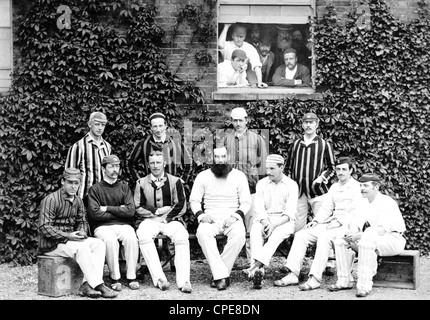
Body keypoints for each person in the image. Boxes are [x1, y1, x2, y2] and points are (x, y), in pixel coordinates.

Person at [273, 157, 363, 289]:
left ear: (351, 171)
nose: (341, 172)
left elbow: (358, 211)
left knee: (324, 237)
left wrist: (339, 222)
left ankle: (314, 278)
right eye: (338, 169)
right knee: (302, 235)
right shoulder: (334, 187)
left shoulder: (357, 187)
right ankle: (293, 274)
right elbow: (326, 209)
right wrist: (315, 221)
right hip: (331, 223)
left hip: (349, 226)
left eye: (344, 169)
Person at [38, 168, 118, 299]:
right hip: (51, 245)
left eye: (76, 183)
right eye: (70, 182)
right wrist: (68, 236)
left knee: (98, 244)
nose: (73, 186)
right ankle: (99, 285)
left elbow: (82, 221)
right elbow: (44, 228)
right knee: (81, 247)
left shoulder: (78, 200)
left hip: (69, 241)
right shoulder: (51, 200)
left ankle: (87, 285)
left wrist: (81, 231)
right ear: (62, 181)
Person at [330, 173, 406, 298]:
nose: (362, 188)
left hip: (394, 240)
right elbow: (356, 222)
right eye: (361, 185)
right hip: (373, 238)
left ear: (376, 187)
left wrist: (359, 235)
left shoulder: (387, 202)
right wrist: (352, 233)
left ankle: (364, 286)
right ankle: (344, 281)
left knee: (366, 240)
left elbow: (381, 230)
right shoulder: (364, 202)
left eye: (365, 185)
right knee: (341, 240)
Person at [189, 146, 251, 290]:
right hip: (211, 217)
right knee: (202, 233)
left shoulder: (239, 176)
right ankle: (222, 275)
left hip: (232, 217)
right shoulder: (203, 176)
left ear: (228, 158)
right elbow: (194, 200)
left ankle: (218, 275)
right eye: (217, 157)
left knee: (239, 235)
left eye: (223, 157)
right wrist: (201, 215)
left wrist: (235, 216)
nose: (220, 160)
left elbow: (246, 202)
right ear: (212, 159)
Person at [134, 151, 192, 293]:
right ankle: (160, 279)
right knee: (143, 234)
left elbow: (181, 205)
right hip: (150, 219)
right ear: (148, 165)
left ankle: (184, 281)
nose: (155, 166)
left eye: (158, 162)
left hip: (170, 220)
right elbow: (138, 207)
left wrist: (166, 217)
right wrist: (157, 211)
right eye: (152, 163)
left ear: (164, 164)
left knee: (182, 235)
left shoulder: (175, 181)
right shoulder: (141, 182)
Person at [219, 107, 268, 265]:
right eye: (235, 120)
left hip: (252, 188)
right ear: (231, 121)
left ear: (247, 120)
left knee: (252, 226)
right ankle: (228, 263)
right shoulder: (226, 139)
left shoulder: (257, 139)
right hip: (231, 190)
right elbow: (220, 165)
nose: (238, 123)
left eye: (241, 120)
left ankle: (253, 263)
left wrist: (261, 188)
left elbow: (264, 166)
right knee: (231, 225)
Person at [243, 154, 298, 289]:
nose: (268, 172)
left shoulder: (291, 185)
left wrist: (274, 225)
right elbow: (259, 208)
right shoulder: (262, 183)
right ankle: (259, 273)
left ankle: (254, 267)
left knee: (275, 236)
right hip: (265, 219)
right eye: (267, 168)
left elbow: (289, 213)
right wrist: (265, 222)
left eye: (272, 168)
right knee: (255, 233)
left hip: (284, 221)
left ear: (282, 167)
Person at [87, 155, 139, 291]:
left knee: (131, 238)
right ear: (104, 168)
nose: (115, 169)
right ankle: (115, 278)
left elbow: (130, 212)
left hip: (124, 225)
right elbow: (95, 214)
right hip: (102, 227)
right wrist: (120, 210)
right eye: (111, 166)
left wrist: (107, 208)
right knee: (110, 240)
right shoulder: (95, 189)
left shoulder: (124, 187)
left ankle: (131, 276)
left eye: (117, 166)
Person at [285, 112, 336, 233]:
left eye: (311, 123)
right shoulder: (296, 144)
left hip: (317, 192)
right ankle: (300, 250)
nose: (308, 125)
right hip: (299, 192)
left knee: (322, 223)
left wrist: (321, 178)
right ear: (302, 125)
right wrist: (290, 186)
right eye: (306, 122)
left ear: (317, 124)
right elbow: (288, 168)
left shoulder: (324, 144)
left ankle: (321, 250)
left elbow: (331, 168)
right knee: (297, 224)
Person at [127, 112, 190, 188]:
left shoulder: (176, 144)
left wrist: (182, 179)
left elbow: (188, 162)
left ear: (165, 126)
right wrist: (138, 180)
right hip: (150, 189)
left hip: (171, 188)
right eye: (155, 126)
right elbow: (129, 162)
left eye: (160, 126)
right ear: (151, 128)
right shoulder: (143, 144)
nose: (158, 129)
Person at [65, 111, 112, 202]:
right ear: (90, 124)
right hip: (83, 198)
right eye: (97, 124)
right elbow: (69, 175)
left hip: (103, 198)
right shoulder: (78, 146)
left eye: (103, 125)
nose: (100, 128)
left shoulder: (107, 147)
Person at [218, 23, 268, 88]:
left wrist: (259, 82)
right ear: (232, 35)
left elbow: (256, 65)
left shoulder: (249, 47)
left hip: (242, 77)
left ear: (245, 37)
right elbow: (220, 44)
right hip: (227, 76)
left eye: (241, 37)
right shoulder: (228, 45)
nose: (238, 39)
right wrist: (226, 26)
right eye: (236, 36)